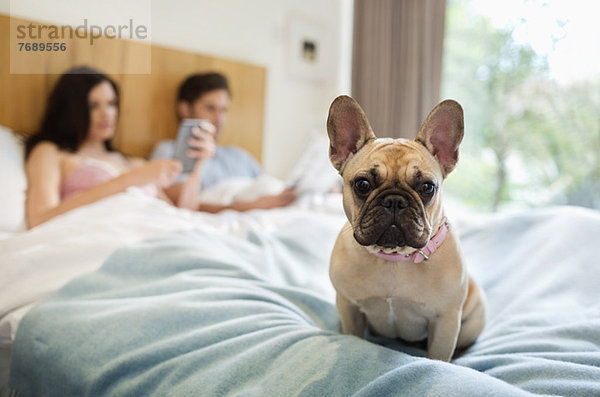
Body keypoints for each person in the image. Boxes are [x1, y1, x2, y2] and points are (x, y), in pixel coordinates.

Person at [24, 66, 204, 228]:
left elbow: (180, 216)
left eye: (111, 104)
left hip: (154, 233)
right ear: (70, 109)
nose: (107, 114)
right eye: (93, 106)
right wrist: (129, 179)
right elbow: (40, 219)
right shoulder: (52, 152)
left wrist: (197, 165)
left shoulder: (134, 163)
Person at [151, 72, 296, 213]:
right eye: (210, 108)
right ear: (185, 109)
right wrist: (251, 207)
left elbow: (269, 188)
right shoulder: (169, 151)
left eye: (224, 110)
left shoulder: (239, 155)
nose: (219, 119)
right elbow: (183, 205)